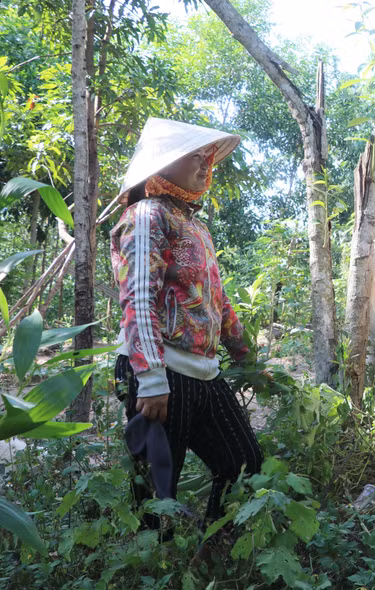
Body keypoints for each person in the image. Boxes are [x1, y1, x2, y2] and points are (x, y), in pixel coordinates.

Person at [111, 117, 263, 527]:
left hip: (203, 372)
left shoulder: (196, 226)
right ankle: (155, 558)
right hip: (161, 370)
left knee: (243, 461)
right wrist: (151, 378)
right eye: (193, 156)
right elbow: (138, 297)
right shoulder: (147, 216)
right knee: (158, 489)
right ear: (162, 163)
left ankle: (215, 546)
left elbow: (218, 301)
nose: (204, 164)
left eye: (206, 156)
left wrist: (248, 359)